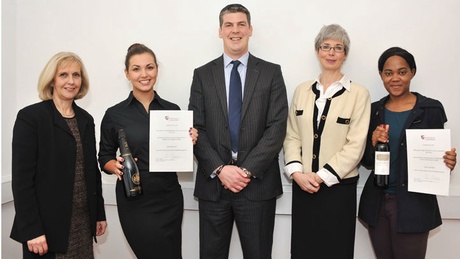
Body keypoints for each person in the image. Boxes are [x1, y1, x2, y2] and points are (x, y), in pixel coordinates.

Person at [188, 3, 288, 259]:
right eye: (229, 25)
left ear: (250, 29)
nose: (235, 30)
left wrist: (244, 171)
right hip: (214, 187)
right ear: (220, 31)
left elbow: (276, 127)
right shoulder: (202, 75)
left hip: (257, 186)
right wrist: (221, 170)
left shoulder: (271, 73)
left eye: (241, 24)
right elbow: (195, 128)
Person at [98, 43, 197, 259]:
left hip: (168, 196)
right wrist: (114, 165)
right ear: (127, 73)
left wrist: (190, 141)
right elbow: (103, 157)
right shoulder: (114, 114)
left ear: (157, 70)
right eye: (136, 69)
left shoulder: (173, 110)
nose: (144, 74)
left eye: (149, 67)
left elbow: (180, 154)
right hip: (134, 199)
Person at [358, 46, 457, 259]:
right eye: (388, 73)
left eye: (402, 72)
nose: (395, 78)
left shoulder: (431, 109)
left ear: (412, 72)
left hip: (414, 206)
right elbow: (366, 161)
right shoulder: (373, 110)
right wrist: (372, 144)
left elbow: (437, 160)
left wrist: (447, 162)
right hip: (377, 204)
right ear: (381, 75)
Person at [283, 24, 371, 259]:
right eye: (326, 47)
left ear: (345, 54)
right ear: (317, 50)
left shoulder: (359, 94)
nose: (331, 53)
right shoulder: (302, 91)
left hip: (338, 191)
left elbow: (356, 145)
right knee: (303, 250)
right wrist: (296, 173)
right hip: (303, 187)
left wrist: (321, 176)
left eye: (338, 48)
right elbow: (291, 135)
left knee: (336, 250)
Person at [10, 52, 107, 259]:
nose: (71, 81)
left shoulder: (86, 119)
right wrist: (32, 229)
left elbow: (91, 170)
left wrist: (99, 213)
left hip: (82, 224)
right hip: (44, 229)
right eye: (63, 75)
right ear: (52, 80)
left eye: (76, 75)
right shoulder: (31, 118)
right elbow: (22, 181)